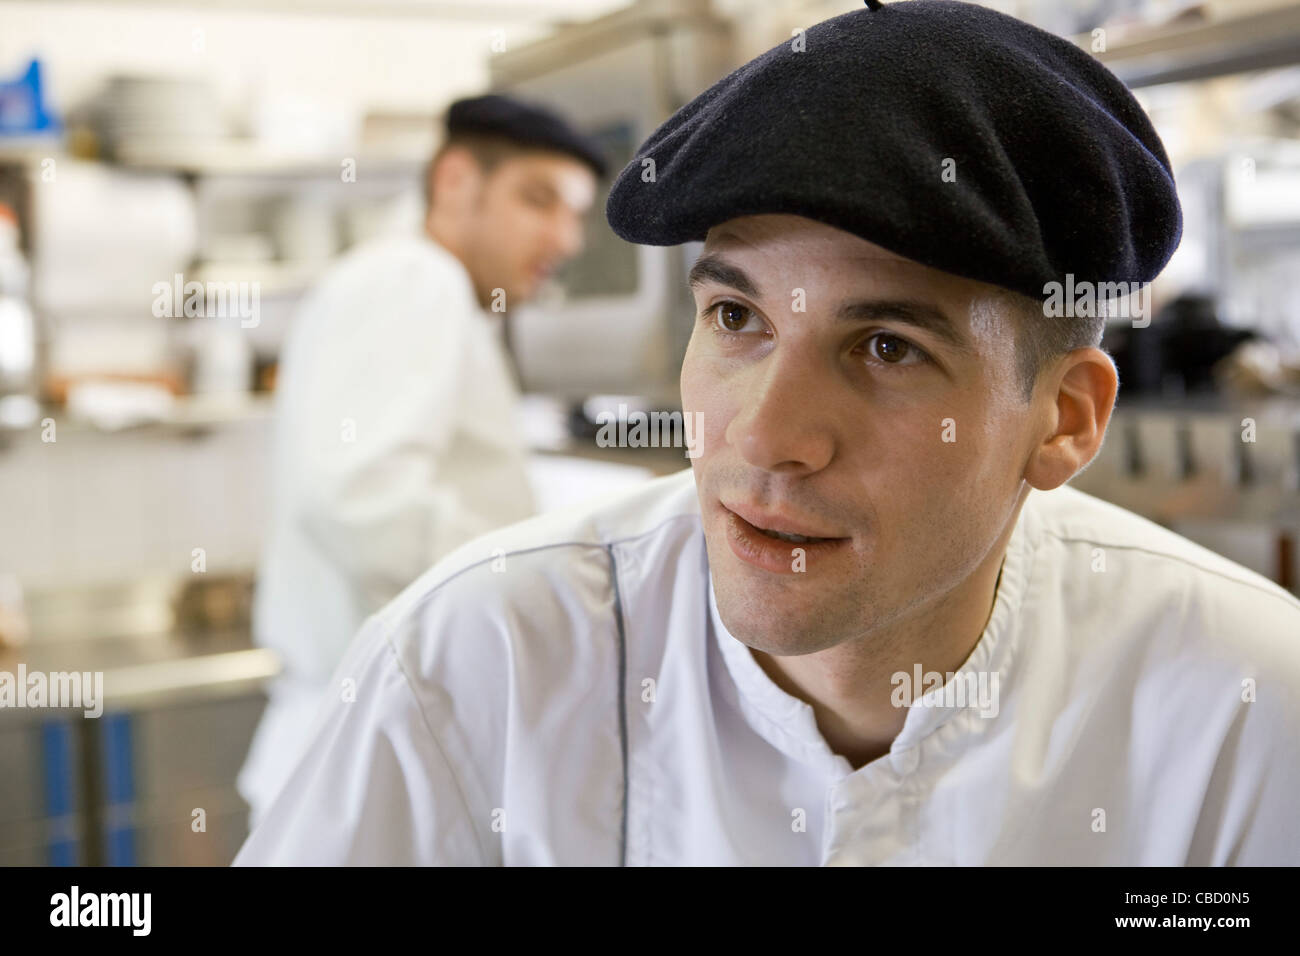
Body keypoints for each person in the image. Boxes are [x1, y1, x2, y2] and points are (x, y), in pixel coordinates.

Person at [234, 0, 1300, 864]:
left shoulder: (1243, 706)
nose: (766, 436)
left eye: (886, 346)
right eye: (736, 317)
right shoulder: (479, 666)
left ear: (1063, 420)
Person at [236, 94, 606, 826]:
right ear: (455, 183)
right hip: (367, 756)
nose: (565, 239)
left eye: (577, 215)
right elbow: (361, 498)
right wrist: (551, 598)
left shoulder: (415, 287)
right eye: (540, 201)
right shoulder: (414, 280)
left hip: (365, 744)